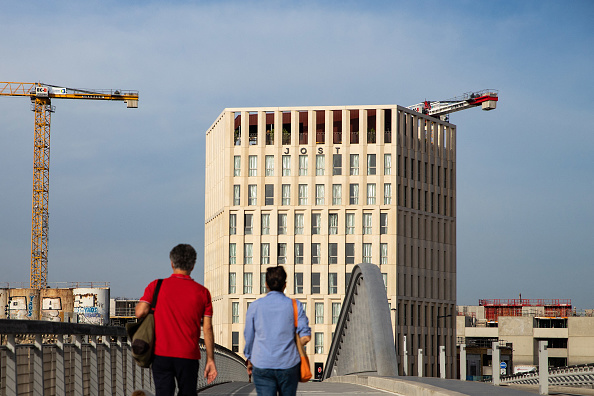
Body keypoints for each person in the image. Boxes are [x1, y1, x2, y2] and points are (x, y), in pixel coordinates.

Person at [135, 244, 217, 395]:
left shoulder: (156, 286)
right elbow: (207, 328)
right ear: (193, 265)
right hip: (188, 355)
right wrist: (210, 359)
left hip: (161, 354)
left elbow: (140, 312)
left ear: (172, 263)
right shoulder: (203, 293)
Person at [244, 266, 311, 396]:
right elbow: (306, 336)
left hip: (262, 364)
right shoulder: (295, 305)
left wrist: (250, 359)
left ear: (266, 284)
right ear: (285, 285)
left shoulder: (255, 306)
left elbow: (249, 336)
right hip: (288, 364)